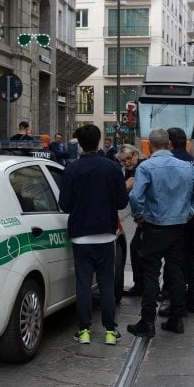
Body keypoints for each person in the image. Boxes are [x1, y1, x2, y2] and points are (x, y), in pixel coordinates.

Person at [126, 128, 194, 338]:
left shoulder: (146, 167)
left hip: (154, 226)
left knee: (151, 273)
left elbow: (135, 197)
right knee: (175, 272)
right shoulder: (185, 166)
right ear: (169, 144)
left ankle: (147, 322)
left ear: (149, 145)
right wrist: (191, 213)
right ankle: (176, 319)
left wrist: (139, 215)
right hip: (178, 227)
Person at [58, 124, 128, 345]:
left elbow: (64, 204)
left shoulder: (71, 169)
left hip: (80, 235)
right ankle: (109, 331)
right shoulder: (113, 168)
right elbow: (122, 201)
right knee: (106, 284)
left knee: (83, 284)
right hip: (106, 234)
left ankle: (84, 330)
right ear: (99, 141)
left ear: (80, 144)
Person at [166, 127, 194, 315]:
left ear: (170, 143)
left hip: (178, 218)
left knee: (176, 261)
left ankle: (178, 304)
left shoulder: (171, 160)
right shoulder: (192, 159)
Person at [116, 144, 146, 297]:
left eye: (128, 158)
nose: (126, 162)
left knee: (138, 248)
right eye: (123, 161)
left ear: (135, 154)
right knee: (137, 248)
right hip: (144, 215)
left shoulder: (140, 167)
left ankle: (143, 286)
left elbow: (127, 188)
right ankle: (141, 284)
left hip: (147, 215)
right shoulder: (129, 169)